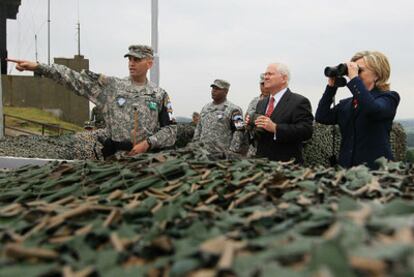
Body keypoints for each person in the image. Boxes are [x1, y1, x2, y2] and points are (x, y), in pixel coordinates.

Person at [7, 45, 176, 159]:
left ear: (149, 63)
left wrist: (147, 144)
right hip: (114, 159)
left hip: (147, 161)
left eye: (136, 60)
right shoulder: (112, 87)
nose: (131, 64)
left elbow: (170, 129)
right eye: (129, 59)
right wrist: (39, 67)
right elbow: (75, 79)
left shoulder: (159, 95)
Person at [315, 51, 400, 169]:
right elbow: (322, 116)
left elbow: (372, 109)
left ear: (377, 74)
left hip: (376, 169)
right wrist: (331, 87)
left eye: (360, 70)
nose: (355, 73)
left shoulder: (388, 98)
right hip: (347, 169)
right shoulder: (347, 104)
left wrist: (354, 78)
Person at [247, 63, 313, 163]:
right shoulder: (261, 103)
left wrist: (275, 128)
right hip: (262, 164)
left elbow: (306, 131)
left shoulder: (299, 102)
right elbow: (259, 135)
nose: (266, 77)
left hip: (286, 165)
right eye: (265, 74)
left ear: (284, 78)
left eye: (270, 74)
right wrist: (251, 125)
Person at [193, 79, 246, 155]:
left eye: (217, 89)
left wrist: (232, 151)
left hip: (222, 156)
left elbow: (239, 131)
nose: (213, 91)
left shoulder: (234, 109)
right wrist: (195, 146)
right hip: (202, 154)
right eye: (213, 88)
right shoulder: (205, 108)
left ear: (226, 91)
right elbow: (198, 128)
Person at [245, 73, 271, 157]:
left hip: (268, 143)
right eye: (262, 84)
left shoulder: (275, 102)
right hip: (253, 144)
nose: (264, 87)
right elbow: (246, 117)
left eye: (267, 84)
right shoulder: (254, 101)